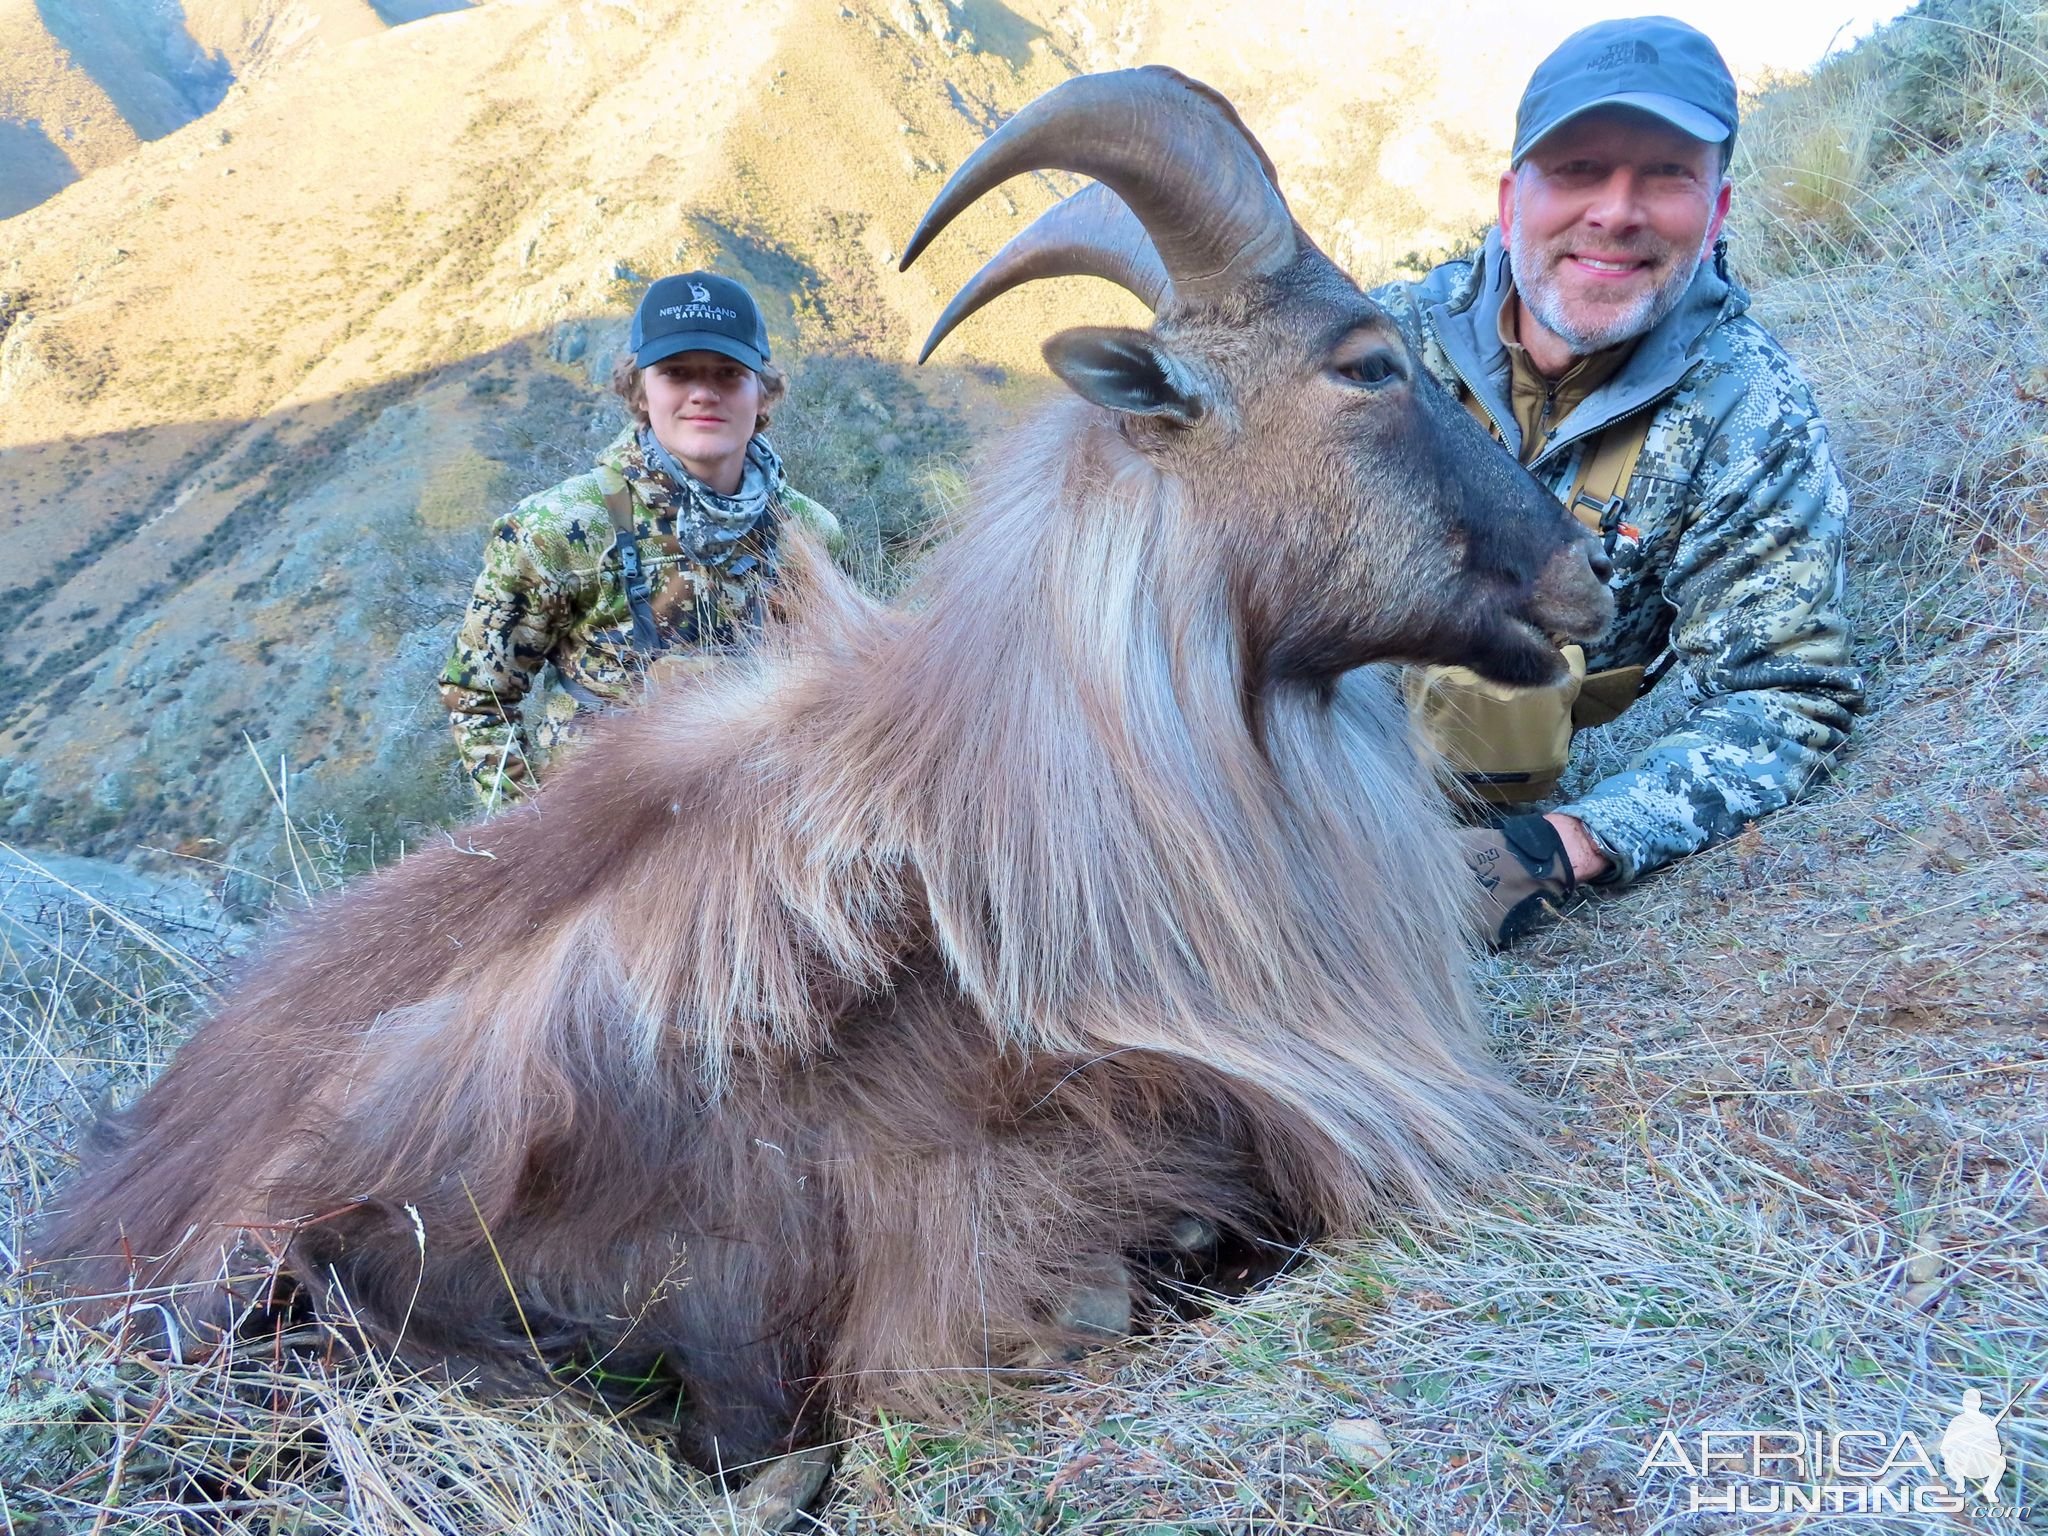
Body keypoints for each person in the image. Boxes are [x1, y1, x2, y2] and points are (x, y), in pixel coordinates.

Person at [1371, 16, 1863, 945]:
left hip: (1514, 796)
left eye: (1668, 176)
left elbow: (1787, 693)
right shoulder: (1376, 347)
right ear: (1512, 198)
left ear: (1716, 211)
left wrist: (1566, 844)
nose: (1617, 212)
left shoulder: (1751, 412)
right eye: (1581, 169)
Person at [439, 272, 841, 807]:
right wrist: (535, 838)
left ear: (763, 394)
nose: (703, 393)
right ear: (639, 389)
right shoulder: (556, 529)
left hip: (765, 837)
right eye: (676, 373)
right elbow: (479, 697)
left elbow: (830, 692)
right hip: (607, 849)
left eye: (729, 373)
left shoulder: (808, 533)